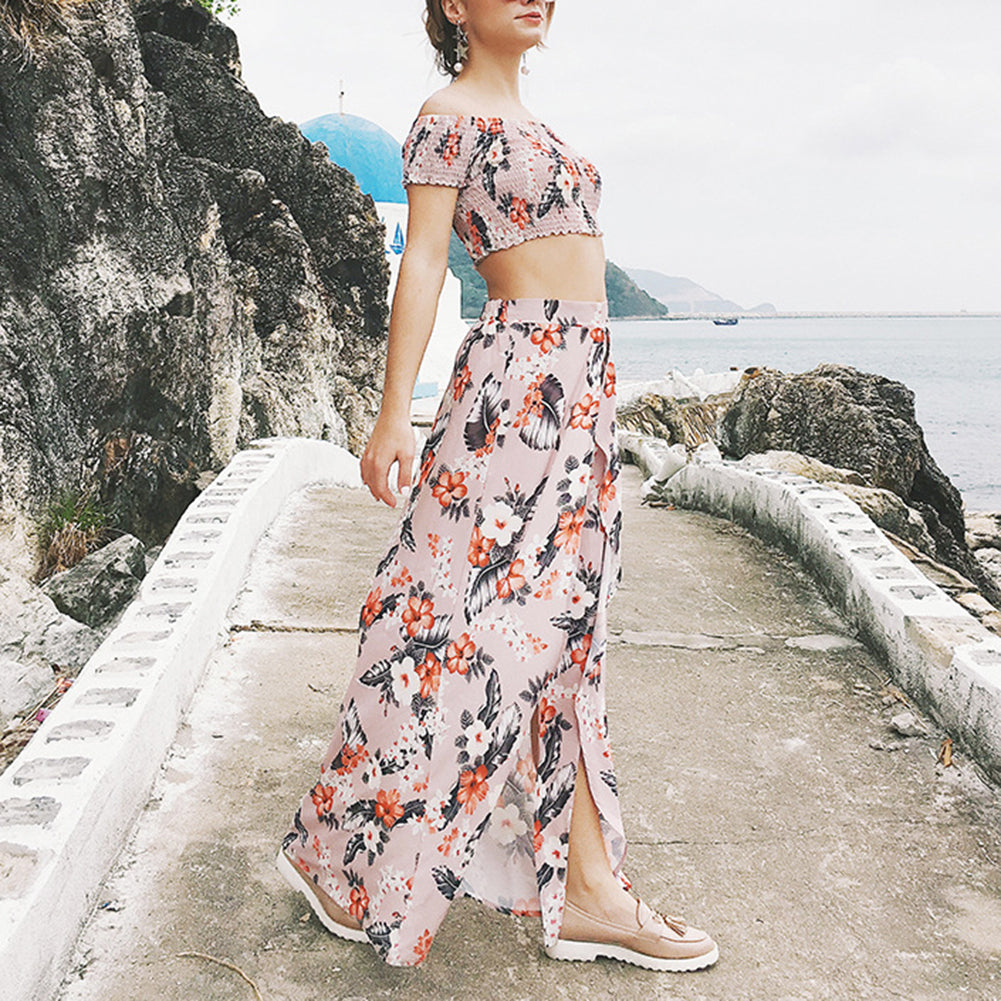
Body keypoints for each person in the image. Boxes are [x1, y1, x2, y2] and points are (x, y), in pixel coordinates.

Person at [276, 0, 718, 973]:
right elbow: (426, 260)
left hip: (585, 387)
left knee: (569, 631)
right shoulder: (446, 116)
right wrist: (395, 411)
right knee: (444, 623)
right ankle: (343, 849)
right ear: (449, 7)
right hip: (511, 389)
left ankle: (591, 889)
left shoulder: (546, 130)